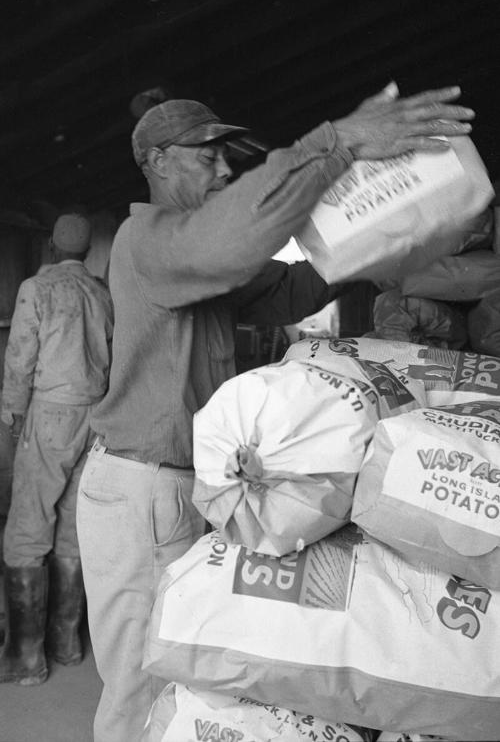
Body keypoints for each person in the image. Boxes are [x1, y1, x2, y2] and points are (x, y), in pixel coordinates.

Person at [76, 86, 475, 742]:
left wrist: (378, 239)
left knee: (177, 664)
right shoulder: (149, 240)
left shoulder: (192, 260)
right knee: (140, 679)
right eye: (209, 156)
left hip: (171, 485)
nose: (225, 167)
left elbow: (291, 287)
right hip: (140, 486)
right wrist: (337, 142)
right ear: (160, 159)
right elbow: (235, 238)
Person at [0, 213, 114, 686]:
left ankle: (26, 656)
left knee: (28, 524)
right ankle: (66, 643)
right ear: (87, 252)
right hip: (95, 417)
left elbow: (21, 354)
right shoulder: (103, 293)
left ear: (51, 245)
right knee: (72, 525)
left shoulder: (37, 288)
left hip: (51, 413)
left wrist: (13, 414)